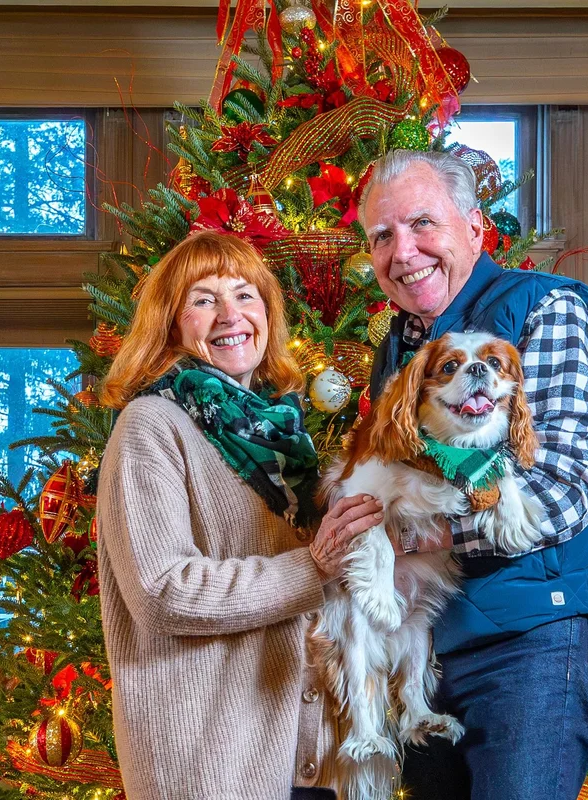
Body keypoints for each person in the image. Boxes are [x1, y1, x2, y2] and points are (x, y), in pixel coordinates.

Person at [359, 149, 588, 800]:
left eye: (423, 224)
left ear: (475, 229)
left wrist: (417, 536)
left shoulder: (548, 308)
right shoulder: (398, 355)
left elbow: (561, 490)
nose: (404, 250)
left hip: (527, 645)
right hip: (425, 659)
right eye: (383, 236)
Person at [96, 230, 382, 800]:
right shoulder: (152, 425)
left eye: (245, 295)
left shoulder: (287, 442)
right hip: (209, 761)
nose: (231, 314)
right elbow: (161, 591)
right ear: (171, 324)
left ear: (268, 314)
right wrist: (312, 569)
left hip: (316, 758)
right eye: (203, 300)